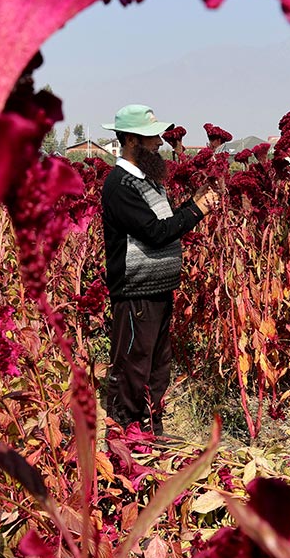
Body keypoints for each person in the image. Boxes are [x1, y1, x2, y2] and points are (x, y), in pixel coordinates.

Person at [100, 104, 218, 436]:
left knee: (156, 364)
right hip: (136, 291)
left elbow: (163, 224)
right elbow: (154, 233)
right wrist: (196, 211)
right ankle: (123, 430)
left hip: (158, 289)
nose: (159, 144)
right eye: (152, 138)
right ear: (132, 140)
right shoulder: (120, 185)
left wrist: (190, 206)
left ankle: (150, 428)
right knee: (133, 364)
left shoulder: (148, 181)